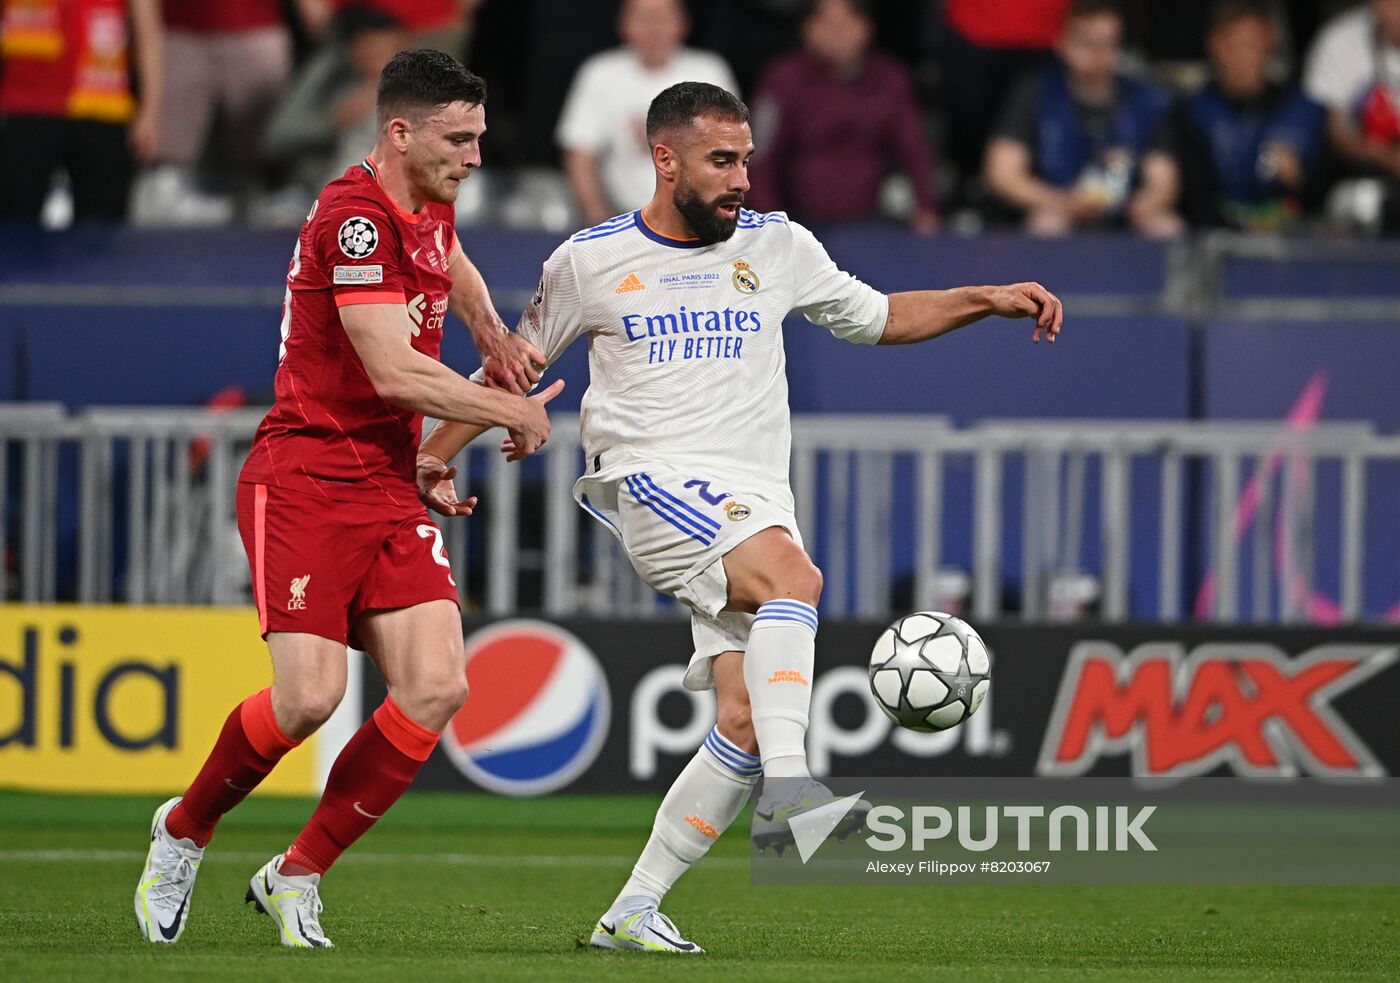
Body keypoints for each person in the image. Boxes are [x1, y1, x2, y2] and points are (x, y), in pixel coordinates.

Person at [414, 81, 1063, 954]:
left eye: (747, 160)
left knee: (745, 718)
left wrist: (986, 297)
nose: (740, 178)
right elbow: (510, 367)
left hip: (753, 497)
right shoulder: (590, 260)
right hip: (648, 480)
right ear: (666, 158)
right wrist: (430, 452)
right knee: (797, 580)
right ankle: (795, 793)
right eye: (722, 161)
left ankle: (632, 910)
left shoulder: (780, 245)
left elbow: (879, 318)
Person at [132, 50, 553, 949]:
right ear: (398, 132)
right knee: (309, 699)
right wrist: (502, 403)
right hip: (308, 474)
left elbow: (455, 258)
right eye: (458, 139)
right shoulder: (352, 217)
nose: (475, 158)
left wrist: (490, 329)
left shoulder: (428, 195)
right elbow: (392, 370)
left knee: (437, 687)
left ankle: (297, 871)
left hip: (388, 482)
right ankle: (183, 829)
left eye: (479, 138)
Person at [983, 0, 1182, 237]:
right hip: (1057, 205)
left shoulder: (1147, 100)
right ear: (1063, 43)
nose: (1099, 55)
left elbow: (1164, 182)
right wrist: (1059, 201)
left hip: (1124, 214)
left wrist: (1143, 204)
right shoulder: (1036, 92)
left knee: (1166, 226)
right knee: (1047, 224)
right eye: (1088, 43)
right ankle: (1045, 275)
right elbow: (1002, 173)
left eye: (1109, 44)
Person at [747, 0, 939, 232]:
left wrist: (926, 208)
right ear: (807, 28)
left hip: (875, 224)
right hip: (800, 225)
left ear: (867, 28)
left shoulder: (891, 79)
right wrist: (770, 226)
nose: (837, 33)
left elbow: (915, 150)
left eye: (847, 23)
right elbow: (760, 158)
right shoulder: (781, 80)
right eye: (827, 23)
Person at [555, 0, 738, 225]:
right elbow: (580, 153)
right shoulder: (599, 74)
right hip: (621, 217)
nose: (654, 27)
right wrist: (598, 217)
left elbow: (731, 152)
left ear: (683, 24)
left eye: (663, 18)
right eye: (643, 18)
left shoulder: (709, 72)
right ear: (623, 25)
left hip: (696, 219)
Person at [0, 0, 163, 222]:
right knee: (13, 228)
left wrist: (150, 113)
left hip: (103, 106)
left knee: (102, 232)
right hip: (25, 106)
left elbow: (148, 34)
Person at [1175, 0, 1324, 231]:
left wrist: (1299, 180)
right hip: (1218, 238)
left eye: (1252, 45)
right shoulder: (1192, 111)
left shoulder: (1301, 108)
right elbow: (1192, 198)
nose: (1243, 57)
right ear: (1213, 45)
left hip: (1291, 239)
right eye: (1233, 46)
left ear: (1270, 43)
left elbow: (1324, 191)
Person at [1304, 0, 1400, 232]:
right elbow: (1336, 133)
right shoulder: (1339, 41)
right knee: (1357, 201)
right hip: (1361, 174)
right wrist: (1387, 157)